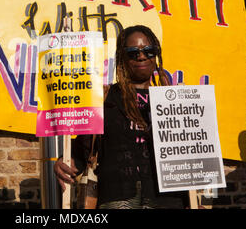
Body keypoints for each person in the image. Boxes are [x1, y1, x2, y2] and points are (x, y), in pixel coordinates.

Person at [53, 25, 188, 209]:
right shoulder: (106, 99)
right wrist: (63, 162)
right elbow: (81, 151)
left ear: (156, 55)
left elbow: (190, 157)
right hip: (118, 199)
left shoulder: (171, 100)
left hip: (168, 201)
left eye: (148, 51)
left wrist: (192, 201)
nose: (141, 56)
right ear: (122, 58)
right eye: (133, 52)